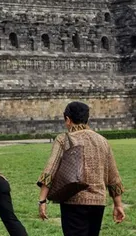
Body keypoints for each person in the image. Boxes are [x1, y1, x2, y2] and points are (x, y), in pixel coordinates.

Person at [37, 101, 125, 236]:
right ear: (87, 118)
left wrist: (42, 200)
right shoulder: (102, 141)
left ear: (67, 119)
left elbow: (50, 169)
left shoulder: (64, 139)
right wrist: (118, 204)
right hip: (98, 203)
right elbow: (113, 175)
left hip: (73, 201)